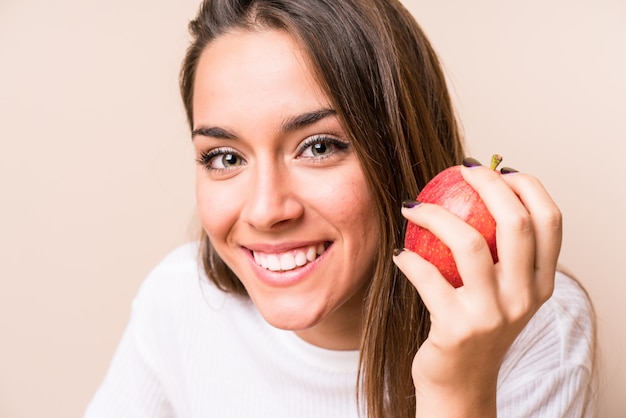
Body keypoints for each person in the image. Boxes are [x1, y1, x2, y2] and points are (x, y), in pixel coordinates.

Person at [85, 0, 597, 417]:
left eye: (320, 147)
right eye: (225, 156)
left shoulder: (535, 332)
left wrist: (457, 389)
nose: (266, 211)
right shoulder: (178, 301)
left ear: (399, 148)